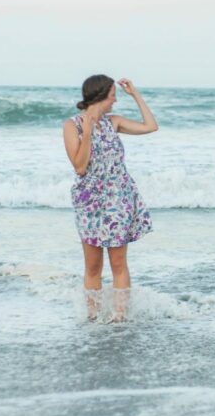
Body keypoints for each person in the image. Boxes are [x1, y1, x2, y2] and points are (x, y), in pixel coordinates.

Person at [62, 74, 157, 322]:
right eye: (113, 95)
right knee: (93, 266)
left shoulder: (113, 122)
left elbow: (150, 126)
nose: (115, 100)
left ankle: (119, 319)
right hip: (89, 201)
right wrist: (89, 131)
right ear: (101, 96)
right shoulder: (73, 126)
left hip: (118, 199)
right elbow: (80, 167)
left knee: (118, 263)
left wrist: (135, 94)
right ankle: (93, 317)